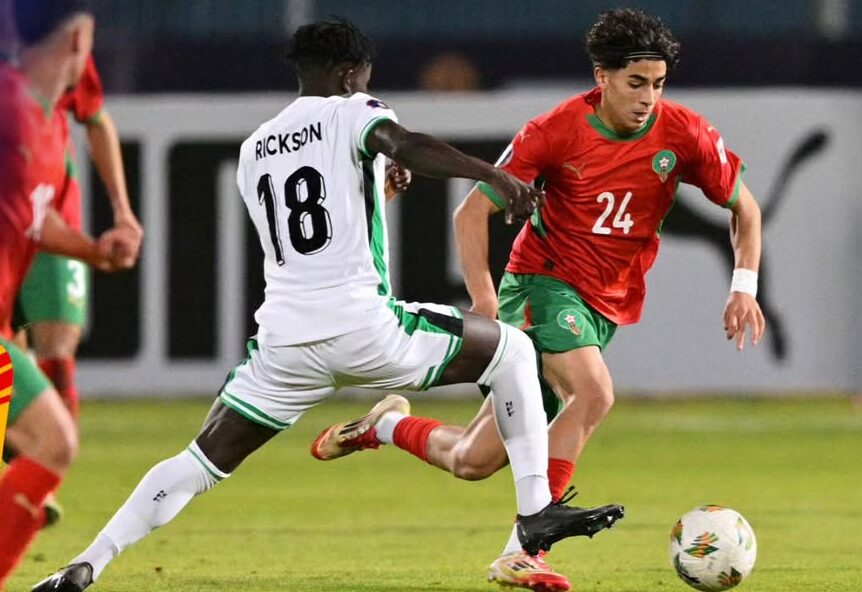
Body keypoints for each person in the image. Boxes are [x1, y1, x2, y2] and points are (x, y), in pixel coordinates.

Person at [32, 19, 624, 592]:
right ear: (348, 75)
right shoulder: (352, 110)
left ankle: (87, 563)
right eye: (364, 78)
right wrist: (495, 176)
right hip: (365, 329)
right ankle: (535, 513)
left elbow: (309, 233)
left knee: (198, 461)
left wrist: (375, 192)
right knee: (513, 350)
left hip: (285, 347)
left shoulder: (255, 148)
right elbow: (404, 144)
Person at [312, 8, 765, 591]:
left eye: (657, 84)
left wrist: (743, 286)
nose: (648, 98)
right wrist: (483, 302)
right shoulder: (554, 131)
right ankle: (526, 548)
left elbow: (744, 209)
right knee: (593, 393)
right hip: (541, 286)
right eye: (635, 83)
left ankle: (385, 426)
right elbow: (471, 212)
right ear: (602, 77)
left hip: (603, 306)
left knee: (472, 460)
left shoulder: (684, 133)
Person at [0, 1, 134, 588]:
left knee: (52, 440)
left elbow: (32, 216)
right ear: (79, 39)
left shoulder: (42, 121)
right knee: (51, 440)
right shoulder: (10, 110)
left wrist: (93, 250)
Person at [13, 53, 143, 422]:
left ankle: (49, 455)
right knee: (11, 378)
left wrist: (122, 211)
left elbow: (96, 118)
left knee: (57, 368)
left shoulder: (61, 46)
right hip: (15, 225)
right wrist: (93, 251)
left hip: (54, 220)